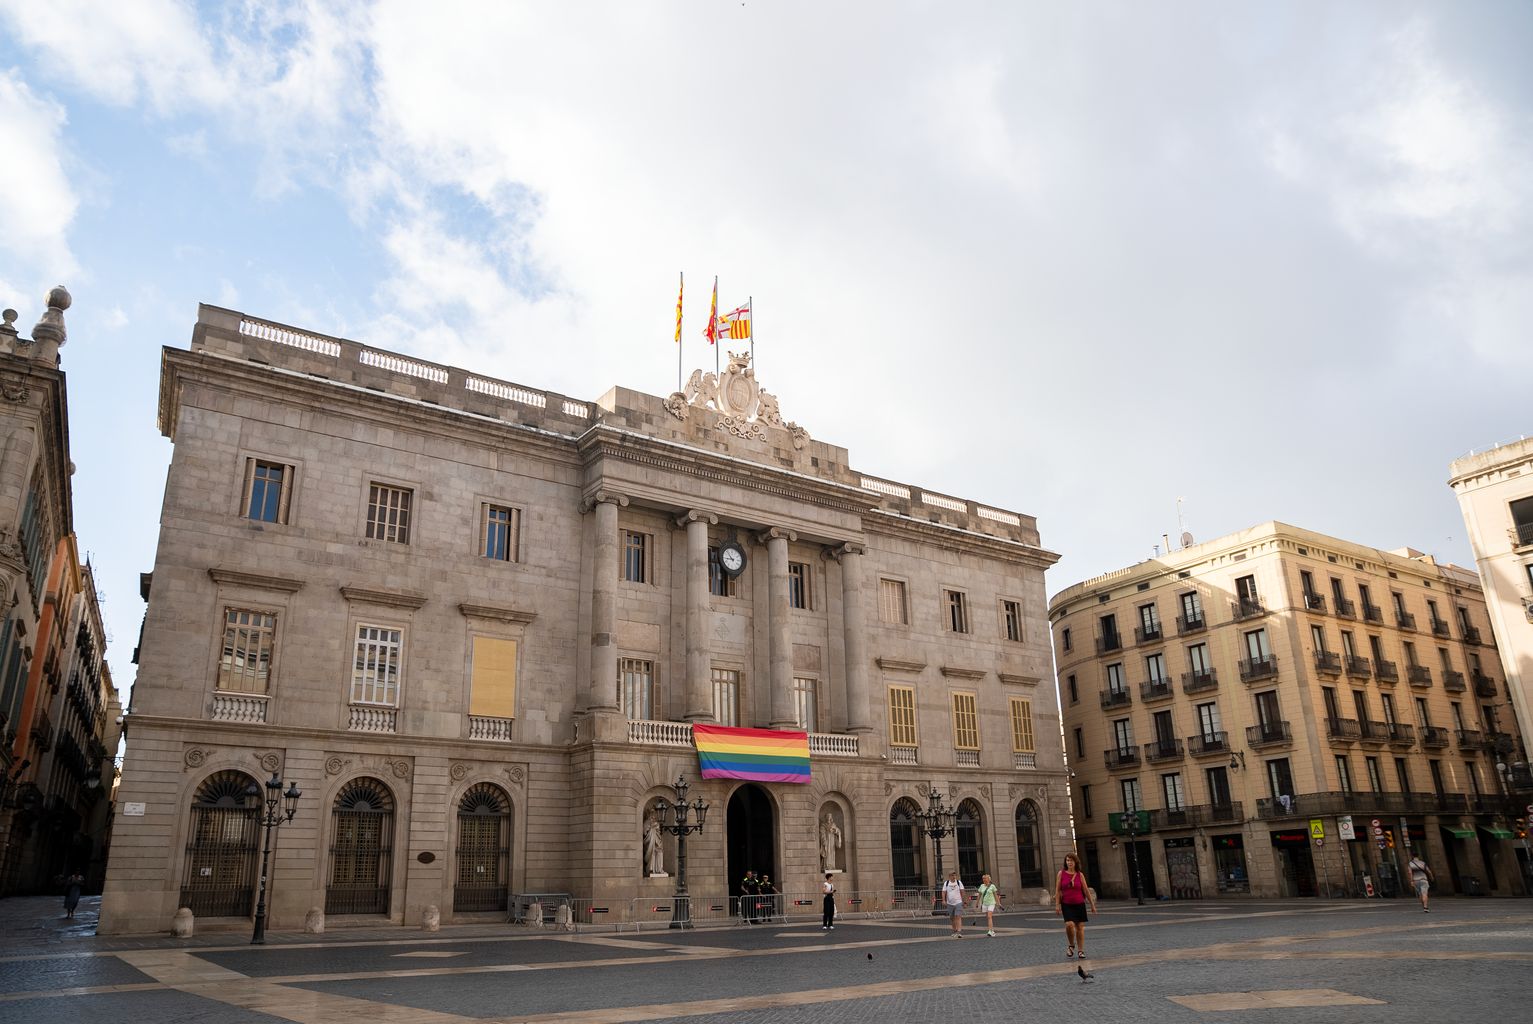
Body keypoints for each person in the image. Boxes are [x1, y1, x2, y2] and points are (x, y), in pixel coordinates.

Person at [1054, 852, 1097, 959]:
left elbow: (1086, 891)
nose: (1069, 862)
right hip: (1067, 904)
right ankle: (1071, 944)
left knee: (1080, 927)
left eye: (1071, 860)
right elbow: (1058, 890)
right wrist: (1057, 904)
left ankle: (1081, 950)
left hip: (1079, 903)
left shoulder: (1080, 875)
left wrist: (1092, 905)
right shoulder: (1061, 873)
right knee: (1069, 925)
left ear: (1075, 862)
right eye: (1067, 860)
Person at [940, 870, 967, 936]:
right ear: (949, 876)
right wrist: (943, 900)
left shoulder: (958, 882)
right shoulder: (946, 883)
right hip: (950, 903)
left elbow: (962, 891)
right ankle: (955, 930)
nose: (954, 876)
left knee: (958, 916)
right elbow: (943, 892)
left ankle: (959, 931)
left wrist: (964, 901)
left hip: (958, 902)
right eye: (952, 875)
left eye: (954, 875)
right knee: (952, 918)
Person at [976, 872, 1001, 937]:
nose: (984, 880)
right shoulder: (981, 886)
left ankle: (990, 931)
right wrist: (977, 903)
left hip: (991, 903)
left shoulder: (992, 886)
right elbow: (979, 895)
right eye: (983, 879)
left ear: (989, 879)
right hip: (985, 903)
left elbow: (995, 895)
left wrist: (999, 903)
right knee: (988, 917)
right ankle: (992, 930)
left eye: (985, 878)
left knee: (989, 916)